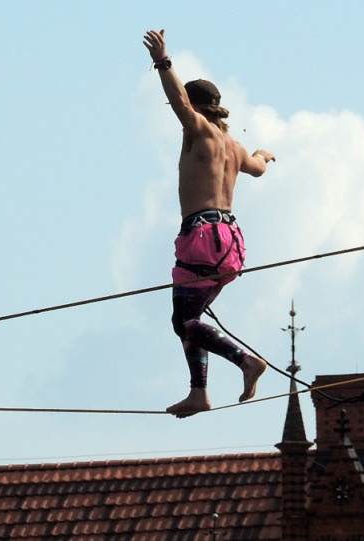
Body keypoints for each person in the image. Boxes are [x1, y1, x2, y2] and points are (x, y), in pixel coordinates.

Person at [143, 29, 275, 418]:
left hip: (202, 236)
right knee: (186, 320)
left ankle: (245, 361)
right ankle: (199, 393)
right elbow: (258, 168)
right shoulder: (234, 148)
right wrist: (264, 153)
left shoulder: (198, 131)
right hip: (230, 241)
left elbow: (178, 102)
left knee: (184, 320)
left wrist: (163, 61)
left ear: (198, 109)